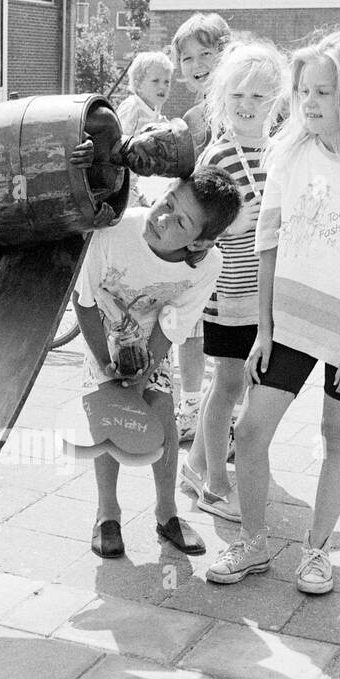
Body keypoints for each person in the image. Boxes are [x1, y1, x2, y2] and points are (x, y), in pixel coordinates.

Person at [207, 28, 340, 595]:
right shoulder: (289, 154)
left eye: (324, 91)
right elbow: (267, 242)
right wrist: (264, 328)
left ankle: (317, 550)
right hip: (290, 322)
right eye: (304, 91)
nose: (310, 103)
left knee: (337, 432)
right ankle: (253, 544)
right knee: (249, 431)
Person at [72, 167, 242, 560]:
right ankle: (107, 514)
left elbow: (175, 322)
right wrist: (107, 367)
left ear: (200, 240)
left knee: (162, 414)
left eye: (180, 220)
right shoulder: (112, 233)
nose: (163, 217)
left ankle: (167, 513)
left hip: (152, 340)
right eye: (168, 202)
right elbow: (83, 304)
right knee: (106, 417)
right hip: (102, 330)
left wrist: (144, 374)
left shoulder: (206, 265)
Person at [182, 40, 288, 522]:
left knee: (235, 384)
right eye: (238, 96)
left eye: (259, 97)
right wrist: (231, 226)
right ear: (223, 98)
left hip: (264, 295)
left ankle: (196, 465)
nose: (247, 106)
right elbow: (195, 225)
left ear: (277, 100)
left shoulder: (278, 152)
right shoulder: (219, 156)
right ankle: (215, 485)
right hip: (228, 292)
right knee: (227, 383)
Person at [170, 12, 233, 444]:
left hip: (239, 244)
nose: (197, 64)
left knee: (231, 337)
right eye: (187, 57)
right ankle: (190, 406)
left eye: (206, 53)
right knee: (190, 328)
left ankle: (229, 419)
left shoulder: (247, 107)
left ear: (227, 54)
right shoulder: (191, 120)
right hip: (199, 243)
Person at [116, 51, 174, 208]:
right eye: (155, 81)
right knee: (134, 221)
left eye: (167, 82)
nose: (162, 86)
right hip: (118, 179)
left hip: (132, 180)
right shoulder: (133, 106)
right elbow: (116, 140)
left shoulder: (154, 110)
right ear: (138, 84)